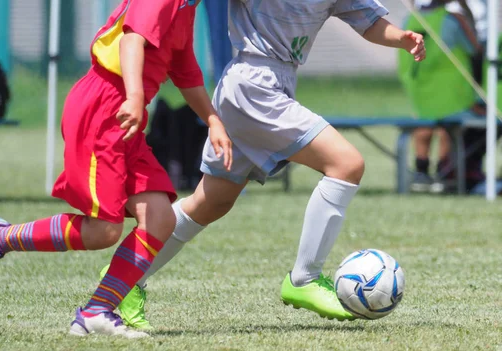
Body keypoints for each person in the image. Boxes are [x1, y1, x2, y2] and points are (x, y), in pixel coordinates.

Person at [101, 0, 426, 330]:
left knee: (210, 202)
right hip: (253, 83)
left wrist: (401, 37)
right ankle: (304, 278)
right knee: (347, 164)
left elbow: (368, 22)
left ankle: (127, 276)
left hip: (269, 85)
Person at [0, 0, 232, 339]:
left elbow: (184, 69)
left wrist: (213, 120)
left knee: (161, 217)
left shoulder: (187, 6)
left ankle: (97, 311)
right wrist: (133, 95)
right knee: (104, 230)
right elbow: (132, 40)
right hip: (104, 108)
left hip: (125, 117)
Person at [400, 0, 483, 192]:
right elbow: (474, 48)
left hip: (418, 81)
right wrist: (466, 12)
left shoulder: (410, 19)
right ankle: (443, 172)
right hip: (450, 85)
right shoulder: (451, 20)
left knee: (423, 123)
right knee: (447, 128)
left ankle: (421, 170)